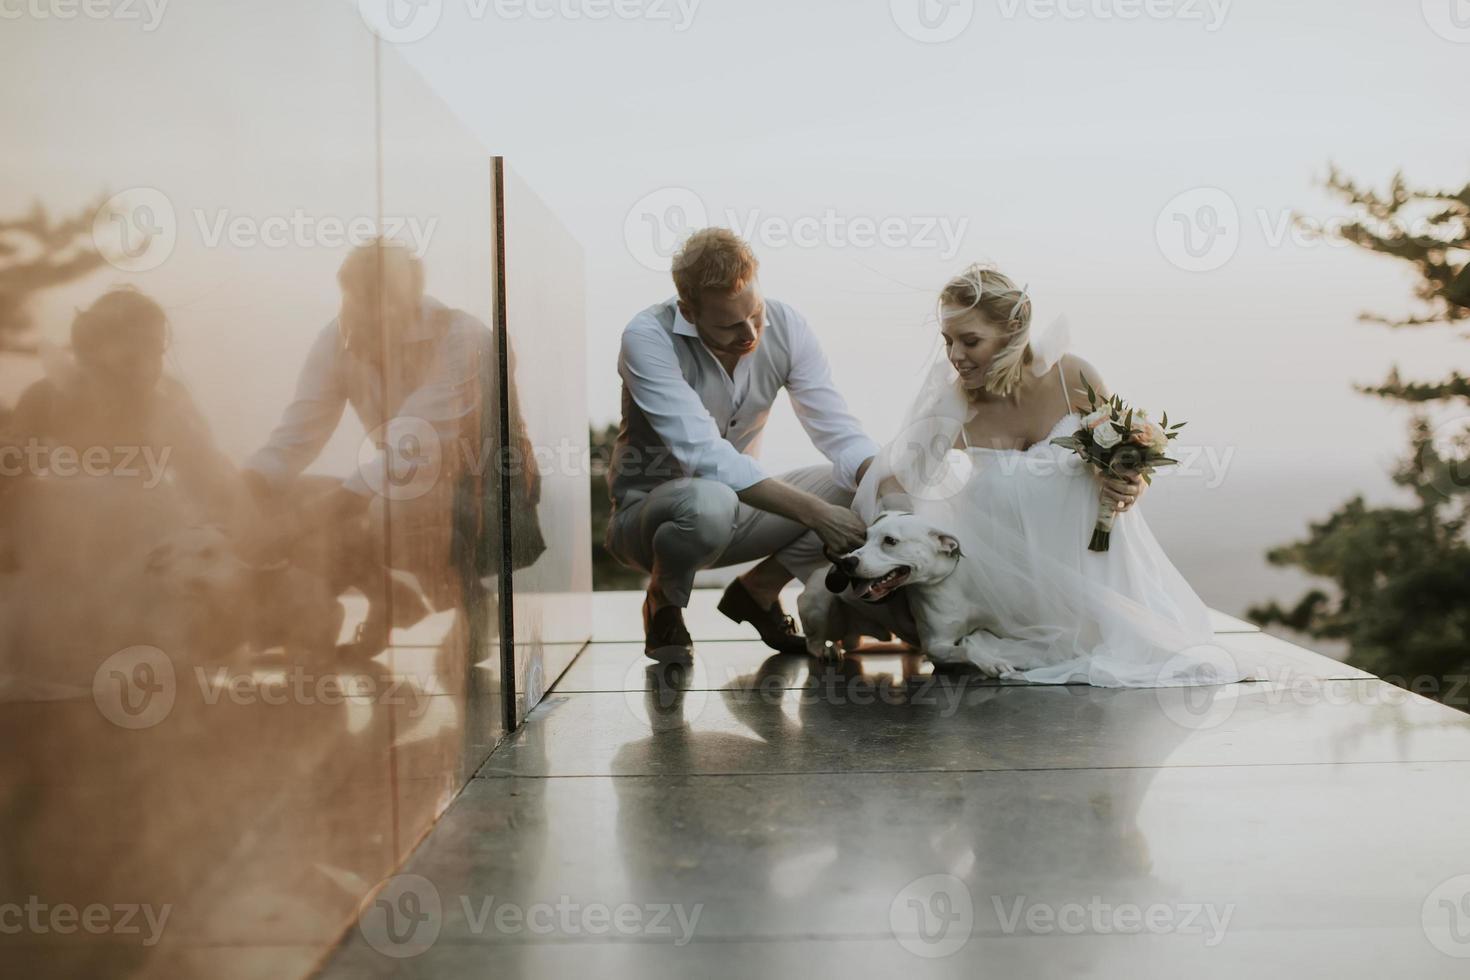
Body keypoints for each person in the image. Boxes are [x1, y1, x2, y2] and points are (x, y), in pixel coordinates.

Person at [853, 264, 1244, 686]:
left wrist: (1132, 484)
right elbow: (895, 479)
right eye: (947, 341)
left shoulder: (1072, 376)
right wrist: (896, 536)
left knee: (1172, 662)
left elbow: (1127, 463)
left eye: (970, 341)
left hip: (1107, 586)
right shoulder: (956, 405)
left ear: (1014, 330)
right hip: (1018, 607)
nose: (955, 356)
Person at [605, 228, 879, 662]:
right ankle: (664, 600)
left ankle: (759, 591)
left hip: (741, 511)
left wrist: (884, 480)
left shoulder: (787, 325)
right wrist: (816, 514)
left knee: (854, 482)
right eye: (729, 324)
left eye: (756, 313)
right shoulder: (647, 336)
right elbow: (704, 456)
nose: (750, 332)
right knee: (709, 500)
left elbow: (838, 431)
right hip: (649, 521)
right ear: (688, 311)